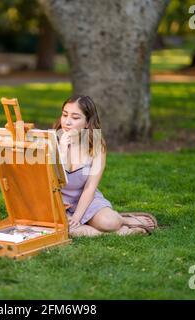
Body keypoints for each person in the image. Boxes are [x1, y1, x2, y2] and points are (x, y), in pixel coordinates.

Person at [53, 95, 158, 237]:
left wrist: (77, 217)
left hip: (86, 200)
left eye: (75, 117)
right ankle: (126, 231)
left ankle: (123, 219)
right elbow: (52, 183)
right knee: (66, 230)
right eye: (65, 115)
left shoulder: (95, 146)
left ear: (87, 122)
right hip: (58, 203)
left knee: (109, 223)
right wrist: (63, 150)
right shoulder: (51, 141)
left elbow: (90, 187)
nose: (67, 122)